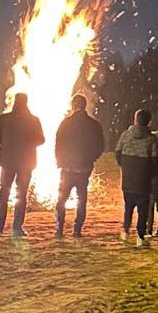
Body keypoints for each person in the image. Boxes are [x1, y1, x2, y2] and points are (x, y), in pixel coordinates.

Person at [0, 92, 45, 238]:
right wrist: (28, 144)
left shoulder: (4, 118)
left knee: (4, 193)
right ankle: (17, 227)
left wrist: (8, 142)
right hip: (26, 162)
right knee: (21, 194)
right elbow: (41, 140)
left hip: (8, 161)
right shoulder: (34, 120)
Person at [54, 93, 104, 239]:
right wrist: (91, 159)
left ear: (73, 105)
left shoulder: (66, 123)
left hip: (67, 168)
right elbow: (100, 146)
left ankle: (59, 228)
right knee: (81, 199)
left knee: (62, 198)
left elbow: (58, 143)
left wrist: (60, 161)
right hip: (84, 169)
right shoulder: (94, 124)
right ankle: (77, 229)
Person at [115, 109, 158, 247]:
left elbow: (117, 152)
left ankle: (125, 231)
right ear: (149, 122)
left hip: (128, 177)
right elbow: (155, 160)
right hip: (143, 179)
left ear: (135, 119)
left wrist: (124, 166)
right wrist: (150, 173)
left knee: (128, 206)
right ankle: (140, 237)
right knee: (143, 210)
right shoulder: (152, 139)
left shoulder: (125, 135)